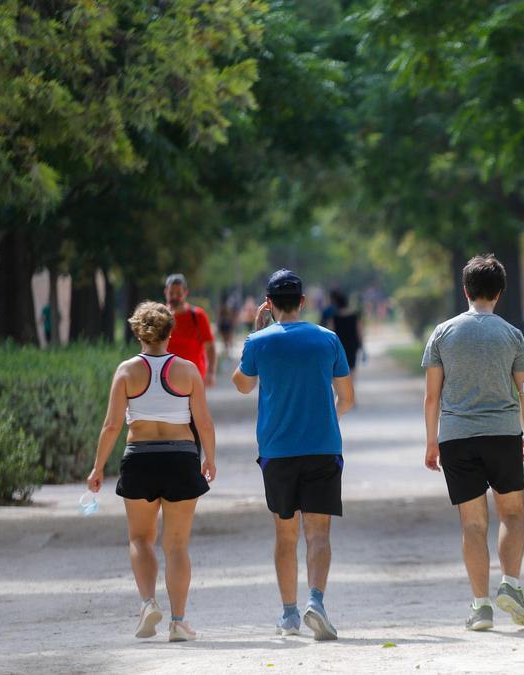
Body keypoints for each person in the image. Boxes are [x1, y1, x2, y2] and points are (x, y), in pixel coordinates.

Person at [232, 269, 355, 641]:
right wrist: (323, 417)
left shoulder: (258, 341)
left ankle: (288, 615)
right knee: (318, 533)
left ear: (268, 304)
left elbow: (241, 385)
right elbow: (347, 398)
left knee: (285, 534)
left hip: (277, 451)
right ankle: (315, 601)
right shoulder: (328, 340)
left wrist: (254, 331)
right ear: (303, 302)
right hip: (322, 447)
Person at [86, 301, 217, 642]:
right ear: (170, 332)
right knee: (176, 545)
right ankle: (178, 621)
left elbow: (112, 425)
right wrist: (210, 459)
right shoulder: (187, 371)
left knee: (140, 539)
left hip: (139, 458)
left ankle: (147, 604)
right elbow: (203, 421)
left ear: (137, 332)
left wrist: (98, 467)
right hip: (181, 458)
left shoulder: (126, 372)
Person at [421, 254, 524, 632]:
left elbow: (431, 397)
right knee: (512, 515)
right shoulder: (511, 334)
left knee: (472, 524)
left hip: (456, 438)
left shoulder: (443, 333)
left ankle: (481, 606)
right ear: (500, 292)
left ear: (465, 290)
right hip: (503, 433)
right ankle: (511, 585)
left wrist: (431, 443)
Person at [164, 274, 217, 386]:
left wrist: (211, 372)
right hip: (165, 380)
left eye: (178, 294)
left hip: (193, 380)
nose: (174, 297)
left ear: (185, 293)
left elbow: (210, 346)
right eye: (171, 293)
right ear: (165, 292)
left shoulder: (198, 316)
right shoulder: (160, 317)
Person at [321, 289, 363, 378]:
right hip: (352, 345)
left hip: (339, 345)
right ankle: (351, 389)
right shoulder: (355, 315)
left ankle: (340, 390)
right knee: (352, 368)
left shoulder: (334, 317)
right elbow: (359, 331)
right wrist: (361, 345)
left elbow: (330, 332)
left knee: (339, 369)